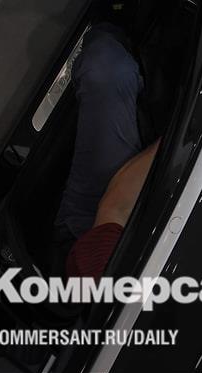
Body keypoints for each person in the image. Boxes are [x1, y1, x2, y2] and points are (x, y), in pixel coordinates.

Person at [52, 22, 158, 279]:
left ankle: (112, 20)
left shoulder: (103, 278)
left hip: (97, 224)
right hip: (154, 226)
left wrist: (191, 131)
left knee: (106, 67)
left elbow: (116, 207)